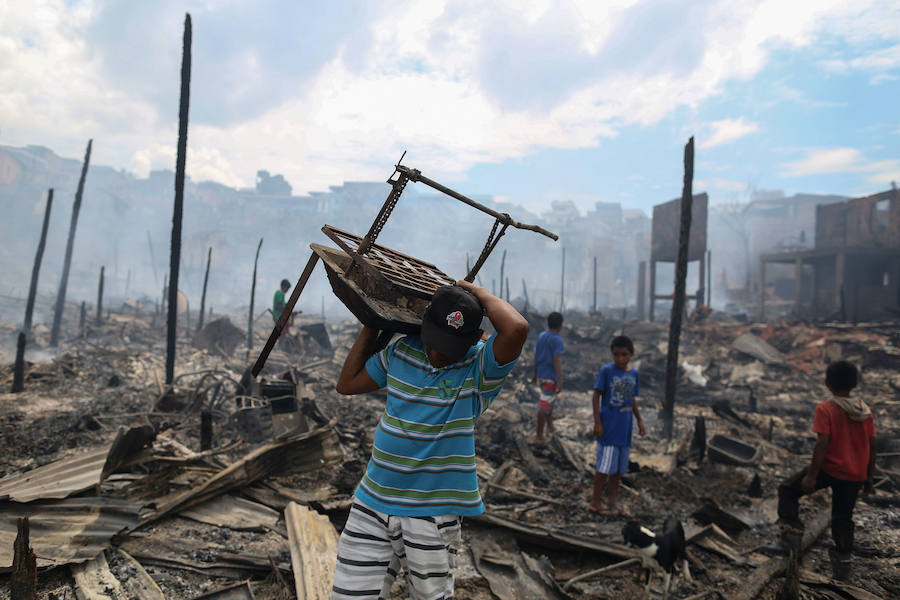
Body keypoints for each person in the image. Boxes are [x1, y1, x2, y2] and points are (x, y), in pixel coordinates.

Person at [331, 281, 528, 598]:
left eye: (452, 348)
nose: (439, 354)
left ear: (472, 341)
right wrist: (373, 322)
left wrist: (480, 295)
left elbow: (517, 328)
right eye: (435, 343)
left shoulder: (479, 370)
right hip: (372, 501)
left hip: (431, 515)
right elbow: (347, 383)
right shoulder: (401, 350)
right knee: (348, 594)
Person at [774, 360, 876, 581]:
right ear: (856, 383)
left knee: (787, 489)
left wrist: (811, 476)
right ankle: (843, 567)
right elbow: (871, 445)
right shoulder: (865, 412)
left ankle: (791, 542)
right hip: (855, 474)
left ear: (827, 383)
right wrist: (869, 476)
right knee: (842, 519)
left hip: (830, 469)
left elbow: (822, 444)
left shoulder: (826, 409)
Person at [590, 335, 646, 515]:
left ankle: (612, 502)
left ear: (631, 354)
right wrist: (597, 422)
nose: (620, 359)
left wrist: (639, 420)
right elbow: (596, 395)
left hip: (625, 430)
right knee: (603, 469)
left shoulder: (633, 374)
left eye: (624, 355)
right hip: (609, 429)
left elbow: (632, 399)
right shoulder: (606, 371)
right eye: (616, 355)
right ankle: (596, 502)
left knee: (618, 471)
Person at [532, 311, 564, 443]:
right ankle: (539, 435)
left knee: (550, 401)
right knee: (544, 405)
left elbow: (536, 355)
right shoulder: (557, 340)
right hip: (550, 376)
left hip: (541, 374)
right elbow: (556, 360)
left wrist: (534, 374)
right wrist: (560, 380)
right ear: (561, 325)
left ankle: (550, 427)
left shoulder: (542, 336)